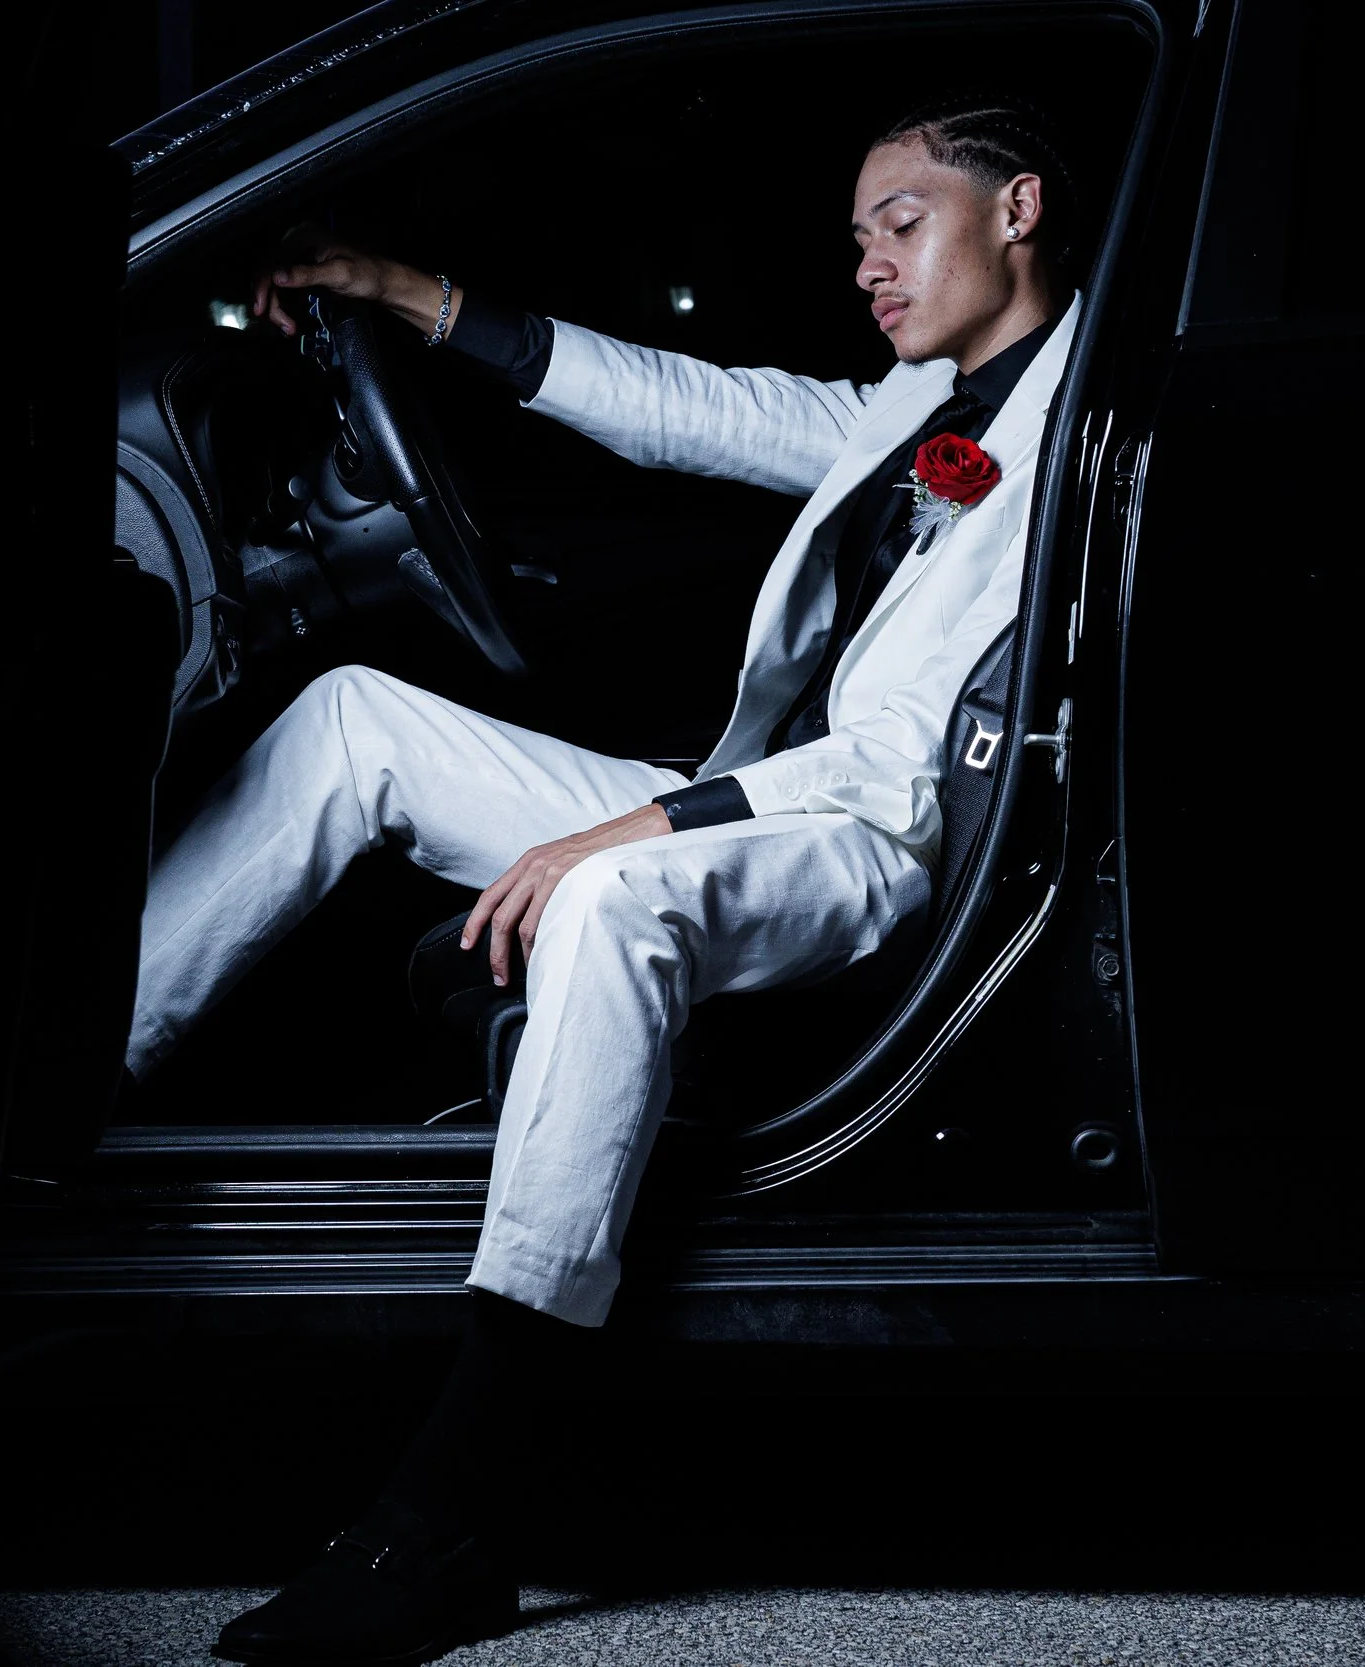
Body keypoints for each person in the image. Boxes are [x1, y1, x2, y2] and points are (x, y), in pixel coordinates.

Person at [134, 93, 1087, 1664]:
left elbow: (908, 770)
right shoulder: (922, 408)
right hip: (771, 792)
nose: (867, 263)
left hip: (873, 841)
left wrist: (638, 831)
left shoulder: (1076, 416)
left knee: (610, 902)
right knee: (351, 720)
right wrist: (413, 299)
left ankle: (451, 1510)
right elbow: (691, 407)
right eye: (854, 238)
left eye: (900, 224)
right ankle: (63, 1111)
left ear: (1019, 207)